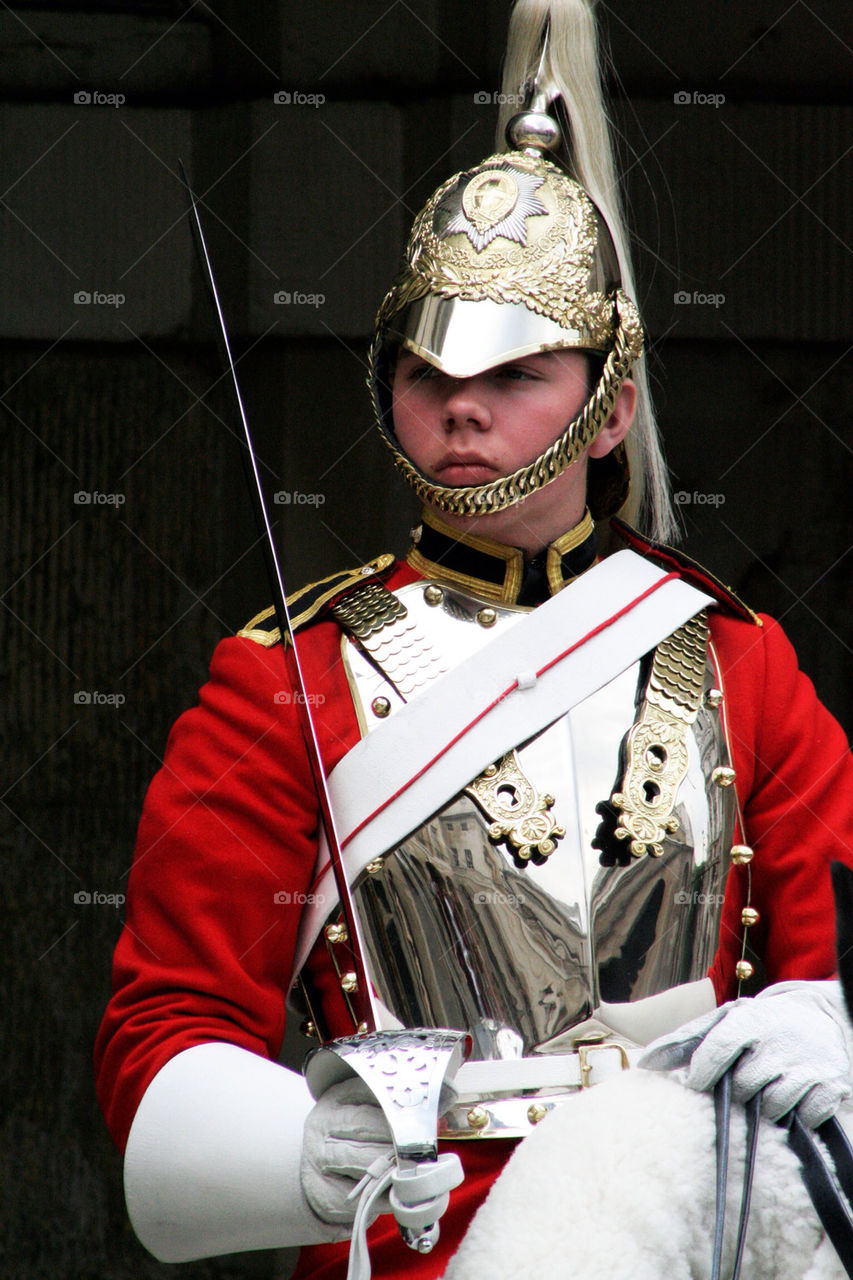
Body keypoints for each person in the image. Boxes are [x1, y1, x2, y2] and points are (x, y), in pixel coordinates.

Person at [95, 2, 853, 1277]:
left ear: (608, 407)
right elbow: (167, 1027)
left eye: (515, 377)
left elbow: (834, 957)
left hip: (703, 1234)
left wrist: (835, 1033)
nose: (461, 410)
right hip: (429, 1239)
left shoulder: (738, 660)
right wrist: (303, 1152)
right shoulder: (285, 675)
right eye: (428, 374)